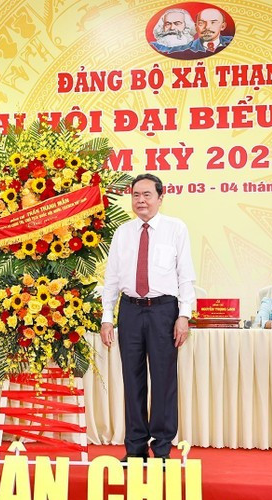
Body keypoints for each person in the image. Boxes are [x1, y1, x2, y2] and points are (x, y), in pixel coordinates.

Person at [100, 173, 196, 461]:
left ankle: (163, 449)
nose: (140, 201)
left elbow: (186, 276)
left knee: (164, 379)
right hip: (130, 310)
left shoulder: (175, 229)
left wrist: (184, 315)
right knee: (132, 380)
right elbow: (112, 278)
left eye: (147, 195)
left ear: (160, 198)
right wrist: (107, 317)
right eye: (135, 195)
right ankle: (136, 449)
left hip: (164, 310)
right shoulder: (123, 232)